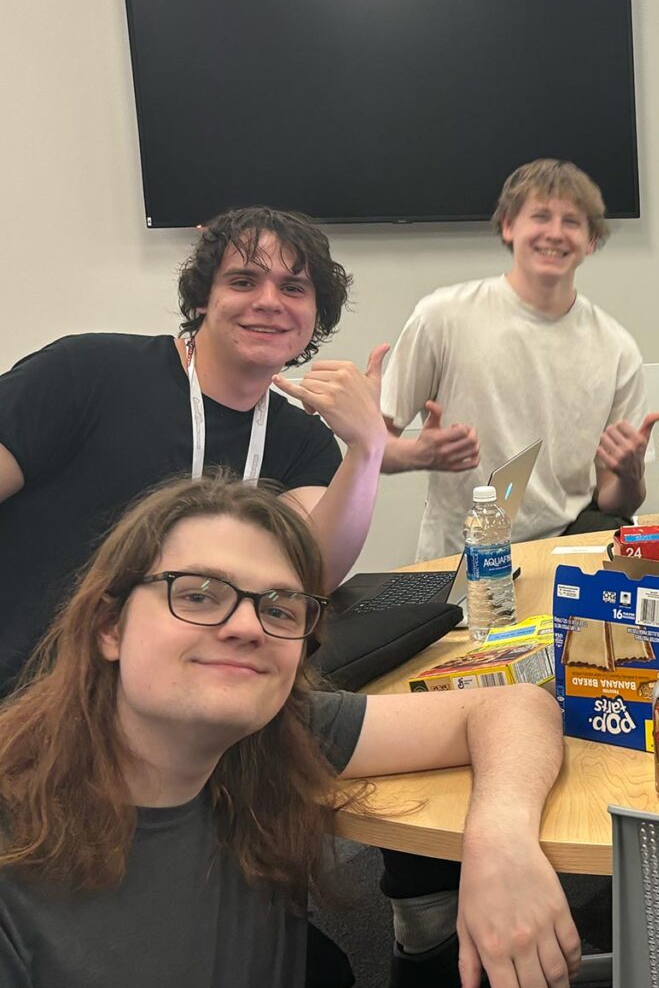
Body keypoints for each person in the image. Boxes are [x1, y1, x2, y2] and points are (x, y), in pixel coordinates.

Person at [0, 476, 580, 988]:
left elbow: (512, 706)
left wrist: (501, 841)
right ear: (110, 626)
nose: (247, 626)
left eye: (278, 607)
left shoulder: (269, 742)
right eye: (198, 594)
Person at [0, 207, 389, 696]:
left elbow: (312, 574)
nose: (270, 302)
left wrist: (367, 446)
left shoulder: (300, 437)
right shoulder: (87, 373)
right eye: (244, 281)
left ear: (316, 314)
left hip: (184, 707)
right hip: (27, 699)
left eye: (294, 288)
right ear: (203, 298)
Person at [381, 159, 659, 561]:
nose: (554, 233)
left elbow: (617, 504)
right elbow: (370, 450)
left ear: (591, 241)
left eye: (572, 222)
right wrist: (417, 454)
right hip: (463, 559)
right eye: (541, 216)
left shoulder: (617, 348)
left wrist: (631, 473)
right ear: (509, 226)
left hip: (563, 555)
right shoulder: (441, 317)